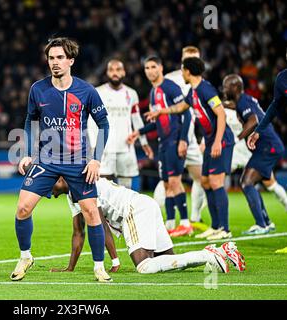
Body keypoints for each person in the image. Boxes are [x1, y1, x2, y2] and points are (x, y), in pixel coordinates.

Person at [11, 37, 112, 282]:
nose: (54, 63)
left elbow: (104, 125)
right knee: (23, 208)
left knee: (91, 213)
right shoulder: (38, 89)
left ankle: (99, 266)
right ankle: (26, 256)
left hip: (78, 161)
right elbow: (29, 121)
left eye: (59, 58)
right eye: (51, 58)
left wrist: (96, 160)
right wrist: (26, 153)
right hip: (45, 159)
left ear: (70, 61)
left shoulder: (86, 91)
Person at [50, 177, 246, 274]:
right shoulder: (72, 193)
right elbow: (79, 233)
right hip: (145, 204)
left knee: (144, 266)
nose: (47, 191)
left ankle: (209, 254)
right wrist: (69, 268)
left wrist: (115, 260)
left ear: (60, 179)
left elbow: (101, 225)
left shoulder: (81, 187)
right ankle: (220, 252)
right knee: (170, 262)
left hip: (134, 210)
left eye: (49, 184)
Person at [146, 57, 235, 241]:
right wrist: (160, 111)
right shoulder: (193, 91)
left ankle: (225, 228)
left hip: (222, 140)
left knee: (216, 182)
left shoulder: (206, 89)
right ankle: (216, 226)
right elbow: (181, 107)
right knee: (205, 181)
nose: (182, 73)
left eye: (182, 70)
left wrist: (218, 141)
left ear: (188, 71)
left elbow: (221, 114)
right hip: (210, 141)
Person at [128, 56, 193, 237]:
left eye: (153, 67)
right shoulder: (152, 92)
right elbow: (157, 121)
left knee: (175, 182)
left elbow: (186, 114)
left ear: (161, 68)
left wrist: (183, 140)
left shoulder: (170, 87)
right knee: (166, 184)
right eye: (147, 68)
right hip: (163, 143)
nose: (150, 71)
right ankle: (171, 223)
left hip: (174, 140)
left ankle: (186, 223)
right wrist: (139, 132)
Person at [222, 74, 284, 234]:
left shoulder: (243, 101)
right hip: (267, 146)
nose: (224, 89)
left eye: (226, 86)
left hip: (267, 147)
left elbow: (253, 120)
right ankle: (266, 222)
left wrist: (237, 139)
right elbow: (236, 107)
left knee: (246, 182)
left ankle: (261, 225)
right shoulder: (244, 101)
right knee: (257, 183)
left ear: (235, 88)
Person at [153, 46, 207, 229]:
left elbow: (203, 114)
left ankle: (194, 217)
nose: (191, 60)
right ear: (182, 59)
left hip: (192, 138)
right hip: (174, 137)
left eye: (195, 57)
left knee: (203, 178)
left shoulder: (201, 83)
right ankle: (163, 217)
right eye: (188, 57)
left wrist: (204, 139)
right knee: (169, 180)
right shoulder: (171, 80)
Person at [87, 59, 153, 189]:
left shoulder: (131, 94)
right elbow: (91, 121)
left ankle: (124, 210)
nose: (115, 73)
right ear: (107, 73)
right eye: (111, 70)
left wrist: (144, 142)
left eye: (118, 70)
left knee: (126, 189)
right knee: (103, 188)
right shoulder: (98, 92)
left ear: (123, 72)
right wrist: (95, 145)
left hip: (125, 147)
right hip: (104, 149)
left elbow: (136, 119)